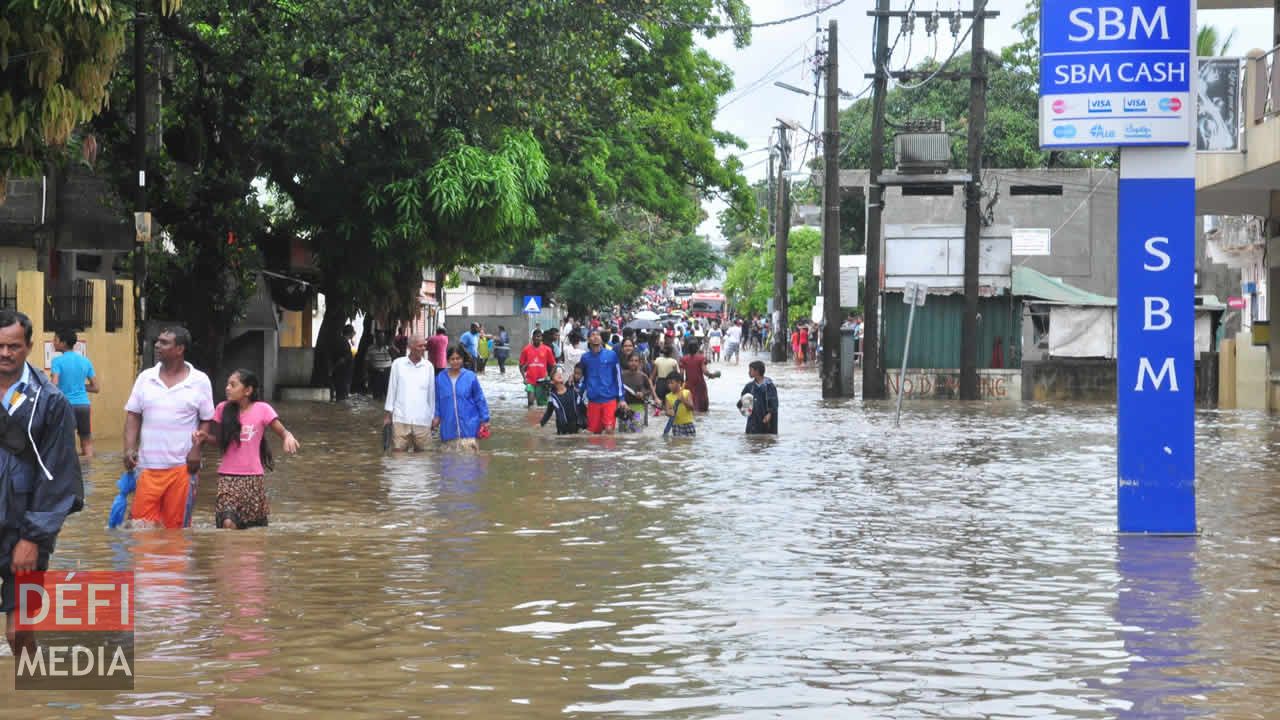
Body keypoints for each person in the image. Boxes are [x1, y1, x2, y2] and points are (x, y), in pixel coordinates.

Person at [0, 310, 83, 654]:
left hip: (23, 526)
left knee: (17, 633)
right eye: (0, 346)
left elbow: (58, 476)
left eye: (14, 346)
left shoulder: (51, 402)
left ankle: (29, 699)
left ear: (30, 347)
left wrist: (33, 538)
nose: (5, 353)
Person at [124, 326, 214, 529]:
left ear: (180, 349)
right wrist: (129, 449)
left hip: (182, 469)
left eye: (164, 342)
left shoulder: (200, 381)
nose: (157, 345)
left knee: (176, 533)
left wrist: (196, 450)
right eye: (158, 341)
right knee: (140, 530)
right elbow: (133, 415)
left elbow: (207, 419)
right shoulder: (145, 377)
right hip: (146, 468)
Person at [197, 369, 299, 528]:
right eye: (227, 384)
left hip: (253, 479)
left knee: (252, 529)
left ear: (248, 390)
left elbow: (283, 431)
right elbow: (218, 440)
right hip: (227, 478)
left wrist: (288, 437)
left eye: (233, 385)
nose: (227, 388)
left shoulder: (263, 409)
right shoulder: (222, 409)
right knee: (228, 522)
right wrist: (203, 437)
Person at [383, 333, 435, 453]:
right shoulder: (397, 364)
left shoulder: (429, 367)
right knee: (399, 456)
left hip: (422, 419)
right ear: (410, 347)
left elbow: (431, 395)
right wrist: (387, 415)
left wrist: (432, 416)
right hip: (401, 418)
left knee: (423, 457)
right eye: (420, 346)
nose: (423, 349)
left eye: (424, 346)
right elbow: (392, 390)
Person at [50, 328, 98, 458]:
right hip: (83, 405)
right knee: (86, 441)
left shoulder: (57, 361)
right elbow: (96, 388)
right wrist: (79, 386)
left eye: (55, 339)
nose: (53, 342)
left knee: (66, 442)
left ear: (63, 342)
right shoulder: (85, 361)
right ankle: (89, 474)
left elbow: (54, 385)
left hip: (66, 406)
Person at [433, 345, 490, 453]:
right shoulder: (440, 378)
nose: (455, 361)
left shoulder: (470, 377)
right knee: (449, 465)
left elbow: (479, 399)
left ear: (462, 359)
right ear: (448, 360)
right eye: (452, 359)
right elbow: (437, 400)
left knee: (470, 465)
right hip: (448, 430)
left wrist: (485, 419)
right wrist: (436, 416)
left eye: (458, 358)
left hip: (469, 429)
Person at [579, 330, 624, 435]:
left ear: (601, 339)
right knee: (593, 432)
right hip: (593, 400)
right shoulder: (585, 358)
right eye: (593, 335)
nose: (596, 337)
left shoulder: (612, 355)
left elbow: (618, 377)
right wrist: (578, 394)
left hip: (609, 399)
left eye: (598, 335)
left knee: (609, 430)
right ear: (588, 339)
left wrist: (621, 398)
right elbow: (584, 378)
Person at [539, 365, 584, 435]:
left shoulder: (572, 389)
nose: (559, 374)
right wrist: (540, 425)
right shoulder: (553, 397)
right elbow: (548, 413)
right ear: (552, 381)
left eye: (560, 373)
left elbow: (582, 407)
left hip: (576, 427)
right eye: (555, 374)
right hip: (562, 431)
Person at [678, 340, 718, 413]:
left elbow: (681, 374)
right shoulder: (701, 358)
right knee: (702, 407)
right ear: (697, 349)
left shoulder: (684, 359)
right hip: (700, 384)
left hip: (688, 384)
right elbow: (705, 372)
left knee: (691, 405)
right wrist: (712, 375)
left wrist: (682, 384)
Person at [621, 352, 658, 433]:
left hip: (639, 408)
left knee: (637, 432)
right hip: (624, 408)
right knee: (623, 432)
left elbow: (649, 389)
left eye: (636, 361)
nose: (633, 363)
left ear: (639, 363)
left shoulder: (643, 376)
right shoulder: (622, 376)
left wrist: (643, 393)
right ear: (627, 362)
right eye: (631, 360)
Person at [739, 360, 779, 435]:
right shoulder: (749, 386)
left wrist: (770, 414)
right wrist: (745, 408)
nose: (748, 372)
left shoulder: (769, 385)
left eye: (750, 370)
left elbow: (774, 402)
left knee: (767, 436)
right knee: (753, 437)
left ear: (757, 371)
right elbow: (743, 400)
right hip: (753, 418)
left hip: (766, 417)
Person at [663, 372, 696, 438]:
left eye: (672, 383)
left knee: (689, 443)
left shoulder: (687, 393)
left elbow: (692, 408)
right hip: (676, 425)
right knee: (677, 444)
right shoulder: (668, 396)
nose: (669, 385)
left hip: (688, 424)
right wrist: (669, 412)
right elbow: (667, 411)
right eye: (668, 383)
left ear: (679, 383)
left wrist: (683, 400)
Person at [366, 331, 394, 398]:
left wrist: (391, 347)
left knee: (388, 395)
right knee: (377, 395)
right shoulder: (370, 348)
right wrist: (366, 374)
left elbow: (397, 356)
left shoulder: (388, 347)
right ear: (376, 338)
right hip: (376, 373)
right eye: (379, 337)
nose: (381, 339)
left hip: (388, 373)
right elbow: (366, 361)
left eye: (382, 337)